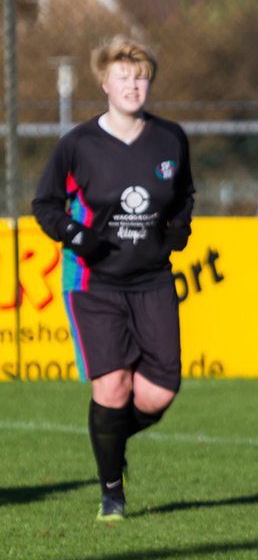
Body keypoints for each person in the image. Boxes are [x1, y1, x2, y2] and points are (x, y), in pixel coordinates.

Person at [32, 36, 195, 522]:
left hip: (152, 282)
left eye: (140, 76)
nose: (132, 85)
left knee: (158, 393)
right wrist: (78, 237)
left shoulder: (170, 139)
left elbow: (184, 195)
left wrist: (180, 228)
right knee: (112, 387)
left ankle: (111, 441)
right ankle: (112, 493)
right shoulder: (78, 145)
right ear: (104, 83)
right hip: (94, 283)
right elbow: (45, 206)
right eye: (123, 76)